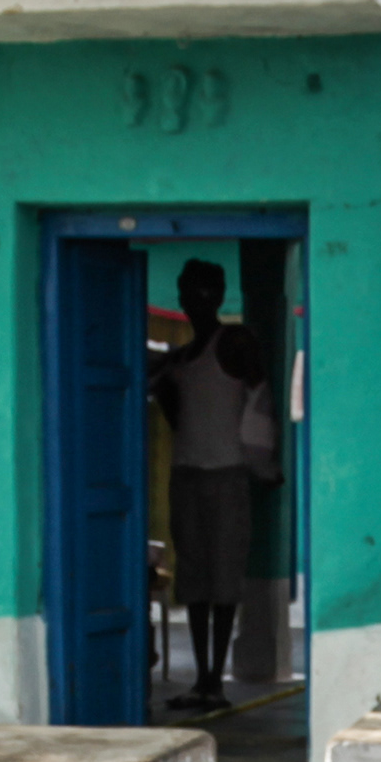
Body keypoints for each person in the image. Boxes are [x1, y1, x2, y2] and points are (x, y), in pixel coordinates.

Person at [155, 258, 267, 710]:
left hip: (227, 474)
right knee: (196, 579)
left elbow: (262, 402)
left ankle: (214, 680)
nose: (192, 299)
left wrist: (266, 463)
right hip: (188, 474)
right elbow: (177, 414)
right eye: (187, 291)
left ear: (218, 297)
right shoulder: (179, 358)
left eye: (200, 291)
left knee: (224, 580)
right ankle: (202, 679)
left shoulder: (236, 342)